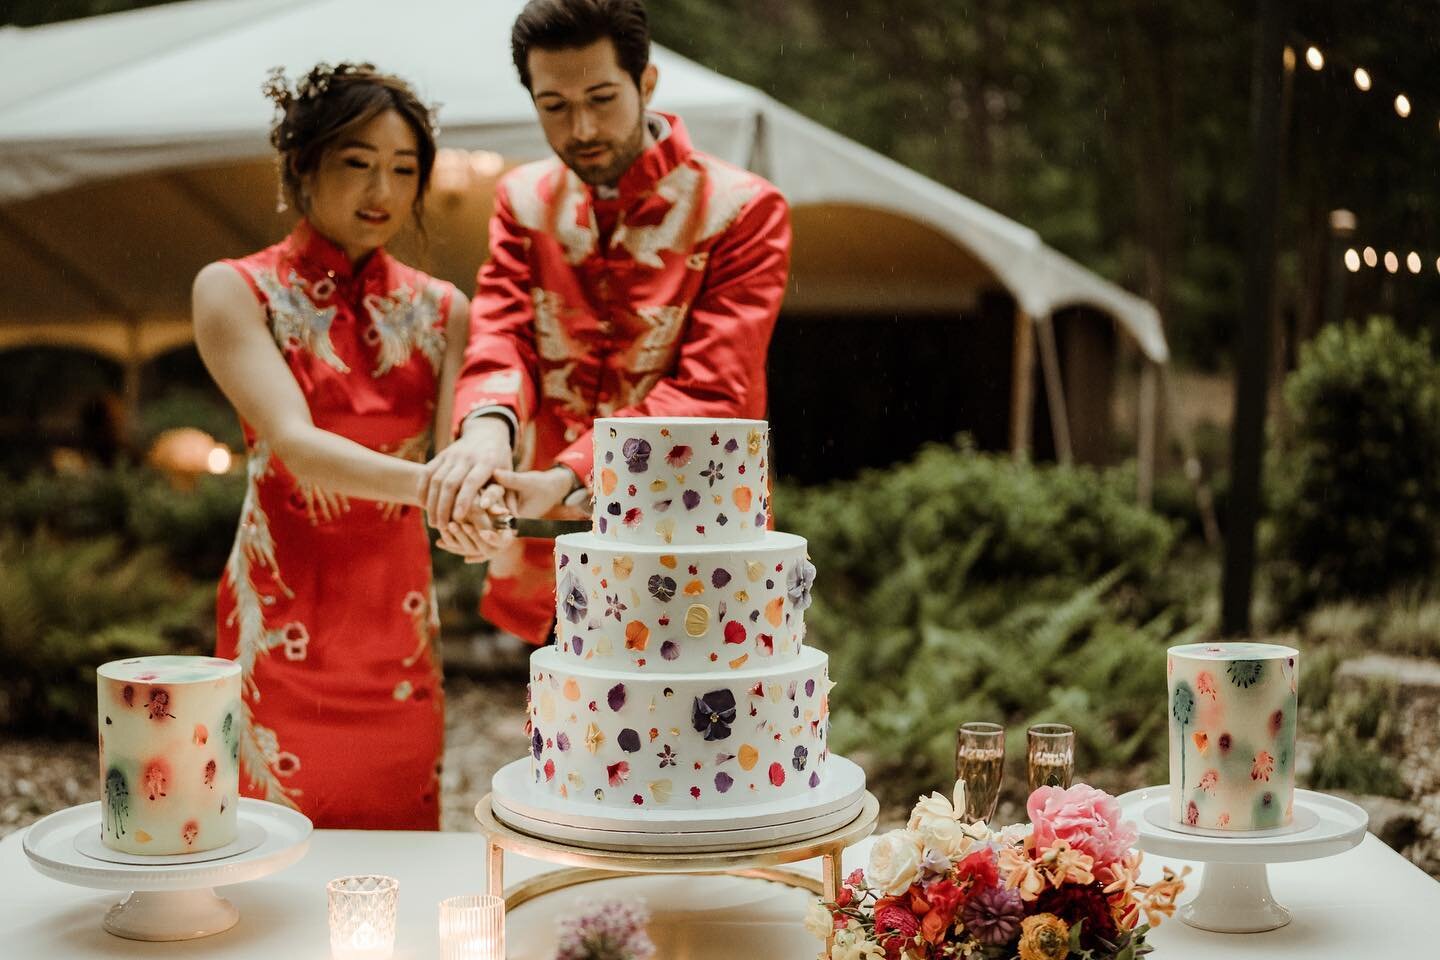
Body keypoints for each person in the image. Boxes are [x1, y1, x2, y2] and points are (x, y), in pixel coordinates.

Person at [193, 63, 504, 829]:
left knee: (399, 850)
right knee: (270, 856)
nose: (384, 192)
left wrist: (476, 518)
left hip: (396, 633)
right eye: (358, 164)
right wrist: (445, 488)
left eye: (405, 170)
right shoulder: (235, 290)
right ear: (303, 168)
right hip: (279, 626)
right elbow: (297, 444)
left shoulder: (443, 309)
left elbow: (453, 463)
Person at [424, 0, 793, 645]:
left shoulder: (742, 209)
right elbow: (502, 329)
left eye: (602, 97)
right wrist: (485, 432)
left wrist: (568, 473)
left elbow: (714, 390)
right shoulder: (522, 199)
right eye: (554, 106)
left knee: (693, 722)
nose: (583, 127)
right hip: (543, 522)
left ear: (646, 83)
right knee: (570, 722)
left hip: (692, 515)